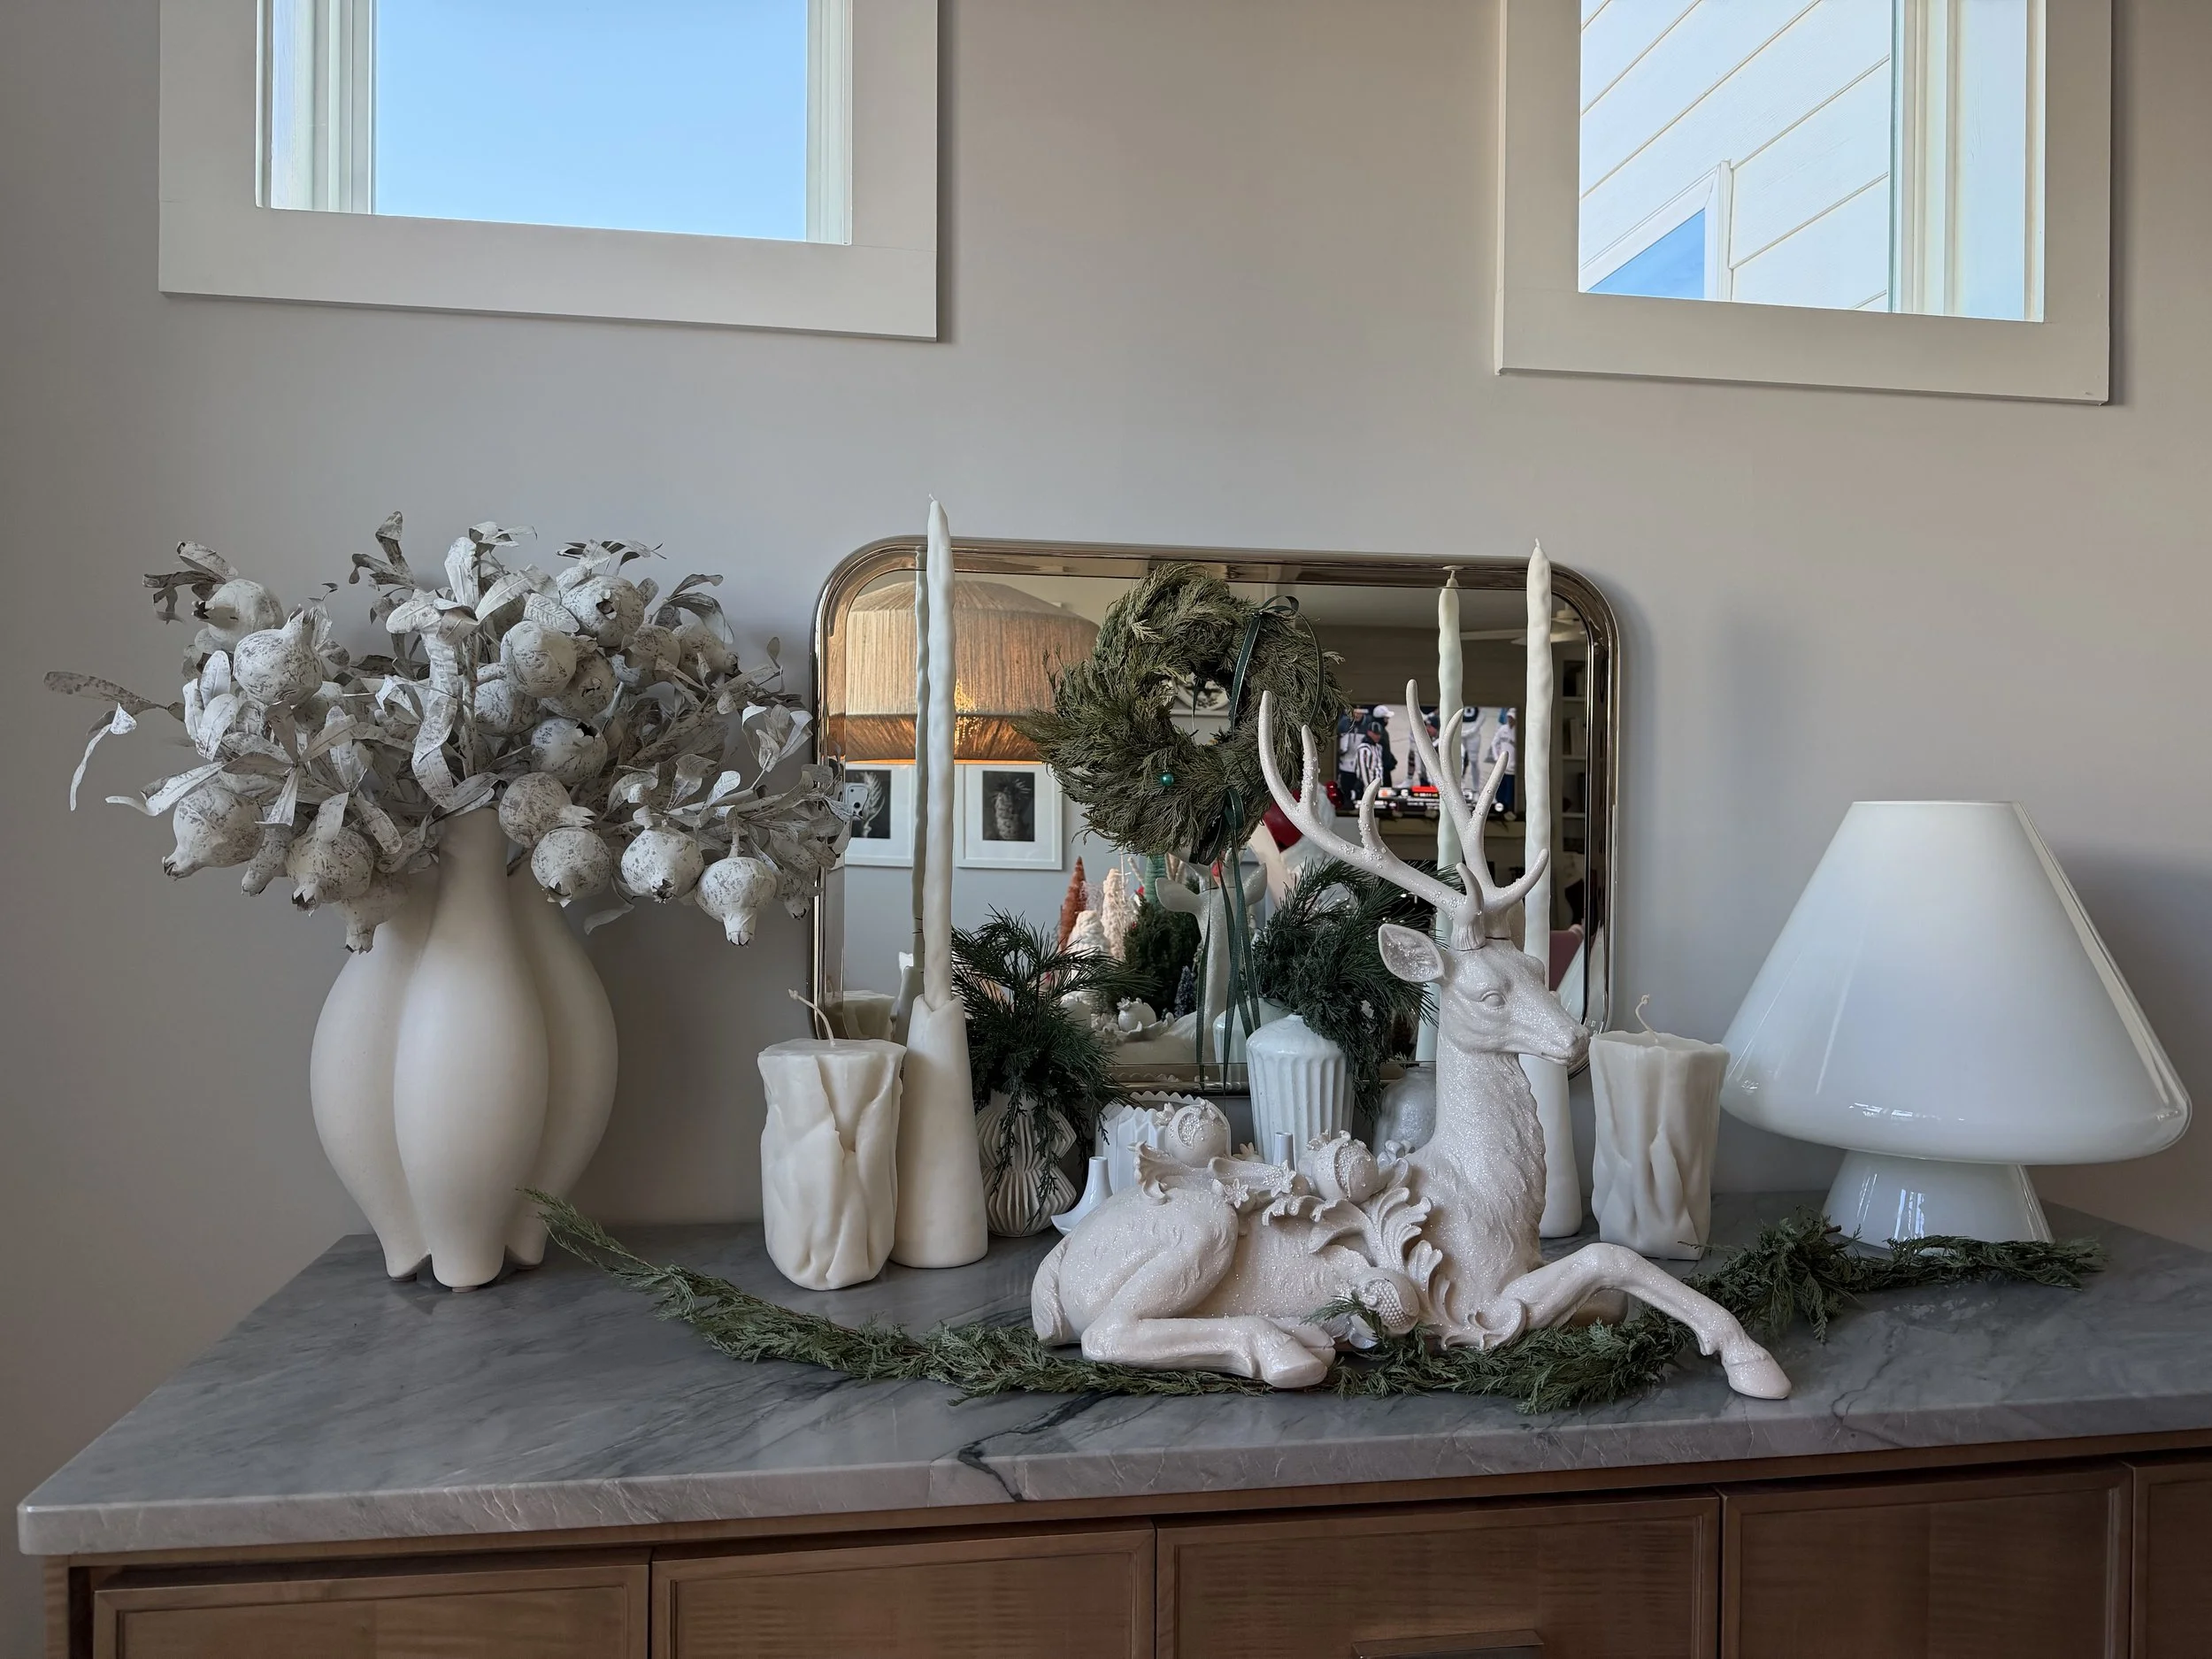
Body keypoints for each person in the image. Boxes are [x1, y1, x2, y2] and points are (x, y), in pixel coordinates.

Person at [1489, 709, 1517, 818]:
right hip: (1501, 768)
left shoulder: (1518, 731)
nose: (1510, 720)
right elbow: (1494, 743)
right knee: (1499, 791)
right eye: (1509, 717)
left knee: (1510, 794)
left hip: (1512, 770)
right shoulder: (1503, 729)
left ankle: (1508, 812)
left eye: (1512, 718)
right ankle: (1499, 810)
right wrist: (1496, 758)